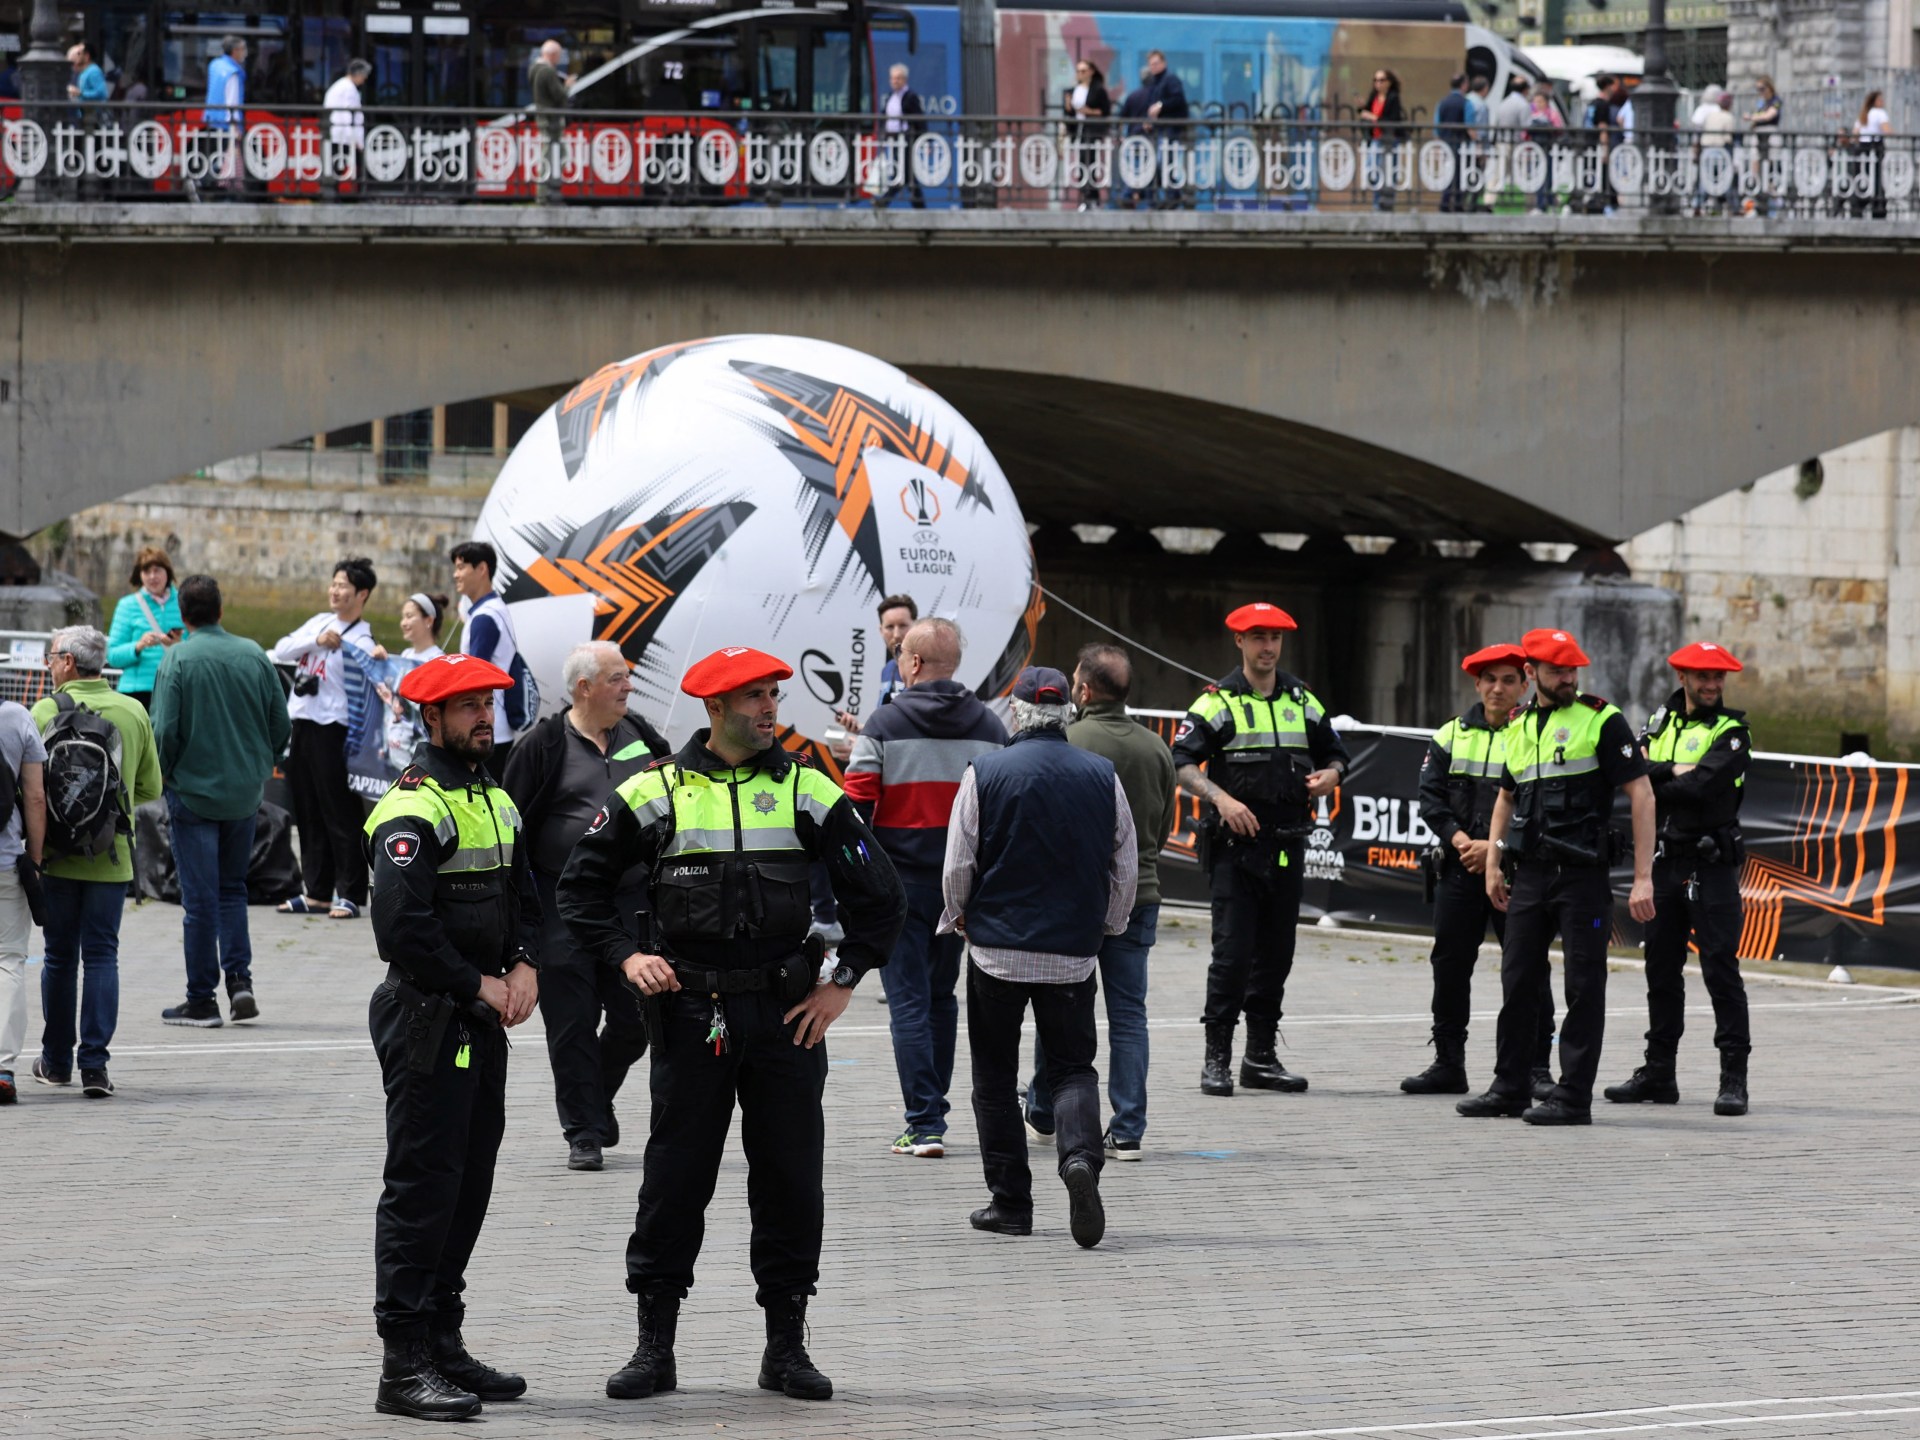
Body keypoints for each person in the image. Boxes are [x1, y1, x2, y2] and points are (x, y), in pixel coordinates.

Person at [558, 647, 904, 1405]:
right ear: (715, 708)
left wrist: (842, 983)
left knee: (790, 1180)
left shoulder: (811, 787)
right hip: (690, 1016)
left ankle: (786, 1348)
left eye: (773, 695)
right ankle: (655, 1348)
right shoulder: (655, 788)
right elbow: (578, 890)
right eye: (754, 698)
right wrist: (625, 958)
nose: (770, 709)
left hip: (787, 1021)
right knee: (674, 1180)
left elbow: (881, 896)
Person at [364, 653, 541, 1421]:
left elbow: (524, 895)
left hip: (479, 1020)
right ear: (430, 718)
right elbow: (401, 927)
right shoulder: (413, 805)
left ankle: (443, 1341)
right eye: (467, 706)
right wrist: (480, 984)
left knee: (468, 1184)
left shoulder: (494, 798)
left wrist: (526, 962)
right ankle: (402, 1366)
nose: (483, 717)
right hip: (429, 1017)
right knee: (422, 1188)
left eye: (489, 704)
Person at [943, 666, 1135, 1248]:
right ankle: (1080, 1159)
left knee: (995, 1080)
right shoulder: (1103, 775)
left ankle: (1011, 1204)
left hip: (996, 951)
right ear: (1066, 713)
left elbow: (958, 864)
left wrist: (959, 919)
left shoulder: (986, 773)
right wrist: (1109, 923)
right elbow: (1123, 864)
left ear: (1017, 711)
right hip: (1072, 954)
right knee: (1073, 1067)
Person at [1457, 627, 1656, 1127]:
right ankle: (1510, 1086)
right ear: (1533, 673)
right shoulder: (1520, 726)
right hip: (1530, 875)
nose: (1567, 678)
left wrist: (1643, 877)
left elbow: (1642, 795)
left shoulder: (1601, 719)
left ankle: (1573, 1097)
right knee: (1518, 980)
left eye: (1572, 669)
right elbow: (1506, 797)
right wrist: (1496, 863)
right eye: (1557, 670)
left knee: (1582, 986)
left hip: (1582, 877)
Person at [842, 617, 1007, 1159]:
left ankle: (924, 1121)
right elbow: (1003, 811)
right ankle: (933, 1111)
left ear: (910, 663)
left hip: (901, 885)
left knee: (907, 1001)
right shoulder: (989, 726)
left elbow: (856, 813)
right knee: (942, 998)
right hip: (963, 886)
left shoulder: (885, 723)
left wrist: (859, 884)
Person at [503, 640, 667, 1172]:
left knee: (636, 1017)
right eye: (617, 678)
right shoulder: (544, 744)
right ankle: (584, 1131)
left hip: (630, 900)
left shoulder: (640, 735)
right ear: (585, 688)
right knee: (571, 1022)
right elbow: (510, 825)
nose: (628, 686)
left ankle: (594, 1096)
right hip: (560, 899)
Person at [1173, 602, 1348, 1097]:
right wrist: (1220, 798)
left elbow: (1336, 752)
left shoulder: (1302, 699)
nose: (1267, 647)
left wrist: (1332, 773)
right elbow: (1181, 761)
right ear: (1239, 643)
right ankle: (1217, 1061)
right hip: (1236, 851)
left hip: (1288, 847)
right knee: (1232, 957)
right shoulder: (1217, 702)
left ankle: (1261, 1059)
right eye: (1257, 638)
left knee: (1276, 956)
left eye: (1274, 638)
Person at [1025, 643, 1174, 1160]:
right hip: (1142, 893)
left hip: (1077, 900)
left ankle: (1044, 1110)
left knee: (1059, 1003)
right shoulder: (1156, 748)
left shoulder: (1068, 739)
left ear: (1084, 691)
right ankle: (1129, 1127)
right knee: (1130, 1014)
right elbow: (1161, 826)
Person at [1605, 642, 1753, 1117]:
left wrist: (1656, 776)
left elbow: (1700, 785)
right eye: (1702, 677)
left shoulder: (1733, 733)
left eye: (1718, 678)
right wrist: (1669, 770)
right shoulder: (1658, 722)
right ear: (1683, 677)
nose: (1712, 685)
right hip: (1666, 865)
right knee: (1660, 972)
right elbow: (1632, 774)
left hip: (1711, 866)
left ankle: (1734, 1078)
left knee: (1720, 971)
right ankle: (1658, 1072)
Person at [1402, 644, 1556, 1098]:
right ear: (1477, 684)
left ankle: (1536, 1069)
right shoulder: (1451, 734)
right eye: (1489, 679)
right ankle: (1449, 1062)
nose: (1497, 688)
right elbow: (1431, 799)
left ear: (1525, 684)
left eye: (1509, 680)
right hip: (1459, 868)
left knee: (1527, 971)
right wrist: (1460, 840)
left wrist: (1496, 847)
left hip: (1517, 873)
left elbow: (1544, 805)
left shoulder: (1539, 734)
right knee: (1449, 965)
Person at [151, 576, 291, 1028]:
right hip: (244, 794)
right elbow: (280, 724)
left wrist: (165, 773)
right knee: (234, 890)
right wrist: (259, 764)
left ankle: (201, 999)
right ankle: (240, 982)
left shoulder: (178, 659)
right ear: (221, 610)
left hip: (192, 793)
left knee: (200, 900)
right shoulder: (253, 653)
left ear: (183, 616)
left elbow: (165, 731)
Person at [31, 626, 161, 1101]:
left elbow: (32, 791)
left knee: (59, 957)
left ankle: (56, 1061)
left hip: (58, 857)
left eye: (51, 656)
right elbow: (151, 788)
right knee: (102, 956)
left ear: (68, 662)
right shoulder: (132, 710)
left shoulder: (43, 712)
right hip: (111, 856)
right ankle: (95, 1067)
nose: (48, 664)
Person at [271, 556, 379, 920]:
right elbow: (281, 648)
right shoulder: (320, 623)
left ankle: (349, 893)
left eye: (343, 586)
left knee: (339, 811)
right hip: (302, 723)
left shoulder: (363, 639)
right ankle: (316, 891)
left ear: (361, 594)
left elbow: (370, 683)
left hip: (335, 730)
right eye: (333, 584)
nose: (335, 591)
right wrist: (316, 642)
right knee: (307, 808)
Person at [451, 541, 530, 774]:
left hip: (486, 727)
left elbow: (472, 677)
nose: (456, 575)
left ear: (482, 569)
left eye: (461, 567)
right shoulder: (493, 609)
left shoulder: (484, 618)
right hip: (496, 724)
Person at [0, 699, 45, 1106]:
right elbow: (34, 796)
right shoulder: (16, 717)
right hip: (5, 862)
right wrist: (34, 859)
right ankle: (1, 1068)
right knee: (9, 959)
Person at [371, 593, 449, 772]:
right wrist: (381, 663)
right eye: (402, 617)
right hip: (395, 744)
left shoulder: (438, 660)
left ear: (428, 620)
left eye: (409, 616)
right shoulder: (405, 656)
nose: (403, 623)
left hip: (420, 747)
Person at [106, 546, 182, 710]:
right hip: (137, 692)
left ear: (167, 572)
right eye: (146, 571)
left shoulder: (183, 602)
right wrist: (139, 646)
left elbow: (195, 646)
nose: (152, 576)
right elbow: (112, 655)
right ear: (139, 575)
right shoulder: (127, 605)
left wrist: (178, 645)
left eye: (157, 570)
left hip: (176, 688)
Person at [1140, 49, 1190, 209]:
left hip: (1171, 130)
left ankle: (1174, 196)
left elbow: (1178, 99)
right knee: (1161, 165)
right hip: (1161, 130)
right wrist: (1150, 120)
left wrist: (1160, 106)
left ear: (1164, 63)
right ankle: (1173, 196)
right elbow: (1152, 105)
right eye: (1151, 64)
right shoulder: (1155, 82)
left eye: (1156, 63)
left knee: (1165, 164)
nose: (1153, 67)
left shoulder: (1170, 79)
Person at [876, 64, 926, 210]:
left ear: (904, 79)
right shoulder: (891, 97)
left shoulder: (910, 96)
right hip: (894, 140)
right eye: (892, 78)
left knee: (903, 172)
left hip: (906, 140)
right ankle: (920, 207)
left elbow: (920, 120)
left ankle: (884, 201)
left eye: (898, 78)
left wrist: (925, 141)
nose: (895, 81)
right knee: (907, 175)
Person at [530, 40, 571, 203]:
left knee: (552, 155)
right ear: (552, 54)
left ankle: (547, 192)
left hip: (544, 119)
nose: (559, 59)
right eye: (559, 55)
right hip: (551, 121)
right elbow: (559, 95)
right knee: (554, 156)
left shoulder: (534, 68)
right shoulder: (547, 71)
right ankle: (545, 194)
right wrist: (567, 86)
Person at [203, 35, 247, 191]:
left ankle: (207, 186)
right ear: (235, 51)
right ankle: (222, 189)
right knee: (227, 160)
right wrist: (236, 127)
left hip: (212, 119)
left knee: (214, 155)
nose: (245, 54)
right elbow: (232, 102)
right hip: (227, 124)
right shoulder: (233, 72)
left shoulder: (215, 65)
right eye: (243, 50)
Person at [1067, 60, 1111, 210]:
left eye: (1084, 71)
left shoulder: (1098, 90)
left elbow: (1104, 111)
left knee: (1090, 163)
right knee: (1080, 164)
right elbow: (1071, 113)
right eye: (1079, 71)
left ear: (1091, 71)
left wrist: (1089, 112)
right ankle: (1084, 196)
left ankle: (1092, 197)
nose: (1081, 74)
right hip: (1078, 131)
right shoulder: (1075, 90)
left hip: (1092, 131)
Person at [323, 58, 371, 186]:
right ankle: (357, 192)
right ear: (358, 74)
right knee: (348, 164)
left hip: (338, 133)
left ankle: (339, 192)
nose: (364, 79)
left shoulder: (341, 85)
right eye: (364, 75)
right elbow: (347, 113)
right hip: (343, 134)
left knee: (338, 164)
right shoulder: (348, 89)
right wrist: (354, 138)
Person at [1364, 68, 1406, 212]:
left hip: (1389, 140)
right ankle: (1377, 201)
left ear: (1389, 82)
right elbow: (1366, 114)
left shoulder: (1393, 98)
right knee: (1372, 170)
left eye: (1381, 80)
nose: (1378, 83)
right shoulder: (1374, 97)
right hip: (1375, 139)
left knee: (1389, 172)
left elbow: (1392, 120)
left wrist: (1373, 118)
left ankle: (1387, 203)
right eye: (1375, 80)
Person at [1434, 73, 1470, 213]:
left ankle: (1445, 202)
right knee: (1460, 174)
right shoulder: (1466, 103)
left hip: (1445, 143)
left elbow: (1437, 126)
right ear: (1464, 85)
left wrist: (1437, 145)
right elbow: (1469, 126)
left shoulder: (1442, 102)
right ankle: (1458, 203)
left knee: (1448, 173)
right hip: (1461, 144)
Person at [1853, 91, 1891, 218]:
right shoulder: (1880, 113)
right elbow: (1887, 131)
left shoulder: (1864, 114)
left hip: (1862, 149)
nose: (1883, 102)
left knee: (1862, 178)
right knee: (1877, 179)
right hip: (1875, 148)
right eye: (1881, 100)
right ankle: (1878, 208)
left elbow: (1855, 133)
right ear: (1875, 101)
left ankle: (1858, 207)